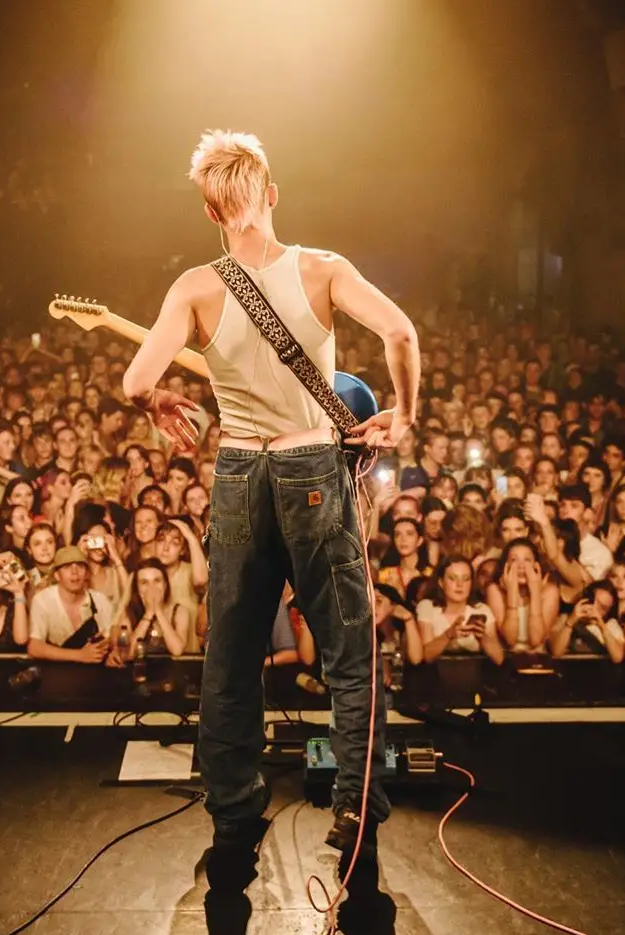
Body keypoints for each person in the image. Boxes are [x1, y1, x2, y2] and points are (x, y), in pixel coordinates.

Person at [122, 129, 420, 857]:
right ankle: (355, 811)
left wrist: (157, 403)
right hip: (310, 461)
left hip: (238, 474)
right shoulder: (324, 270)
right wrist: (405, 416)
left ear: (210, 212)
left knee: (231, 657)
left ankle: (233, 811)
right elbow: (401, 333)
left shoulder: (195, 287)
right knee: (349, 653)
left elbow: (136, 382)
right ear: (273, 195)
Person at [27, 546, 113, 662]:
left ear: (87, 573)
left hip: (94, 668)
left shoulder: (100, 600)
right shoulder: (43, 600)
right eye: (67, 567)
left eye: (80, 566)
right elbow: (34, 648)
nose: (74, 572)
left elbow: (111, 637)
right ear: (57, 575)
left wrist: (111, 651)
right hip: (57, 669)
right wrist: (80, 655)